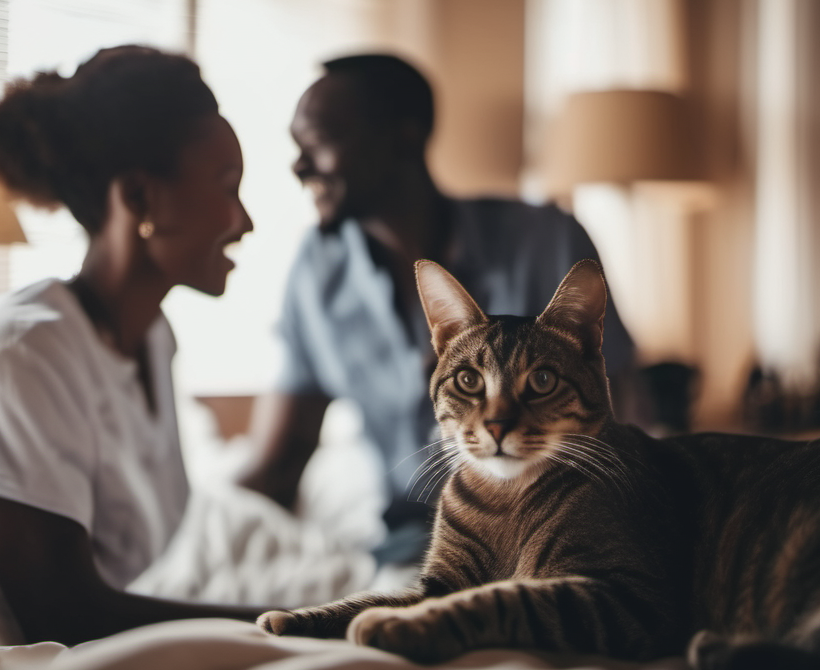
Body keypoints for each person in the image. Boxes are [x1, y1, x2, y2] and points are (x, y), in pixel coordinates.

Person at [0, 45, 263, 645]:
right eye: (227, 186)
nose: (244, 221)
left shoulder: (150, 337)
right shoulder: (22, 356)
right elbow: (66, 618)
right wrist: (313, 623)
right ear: (141, 199)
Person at [239, 53, 636, 563]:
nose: (299, 165)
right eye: (296, 147)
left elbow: (624, 417)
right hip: (414, 533)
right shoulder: (315, 273)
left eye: (319, 142)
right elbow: (280, 460)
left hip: (556, 515)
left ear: (403, 137)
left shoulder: (547, 241)